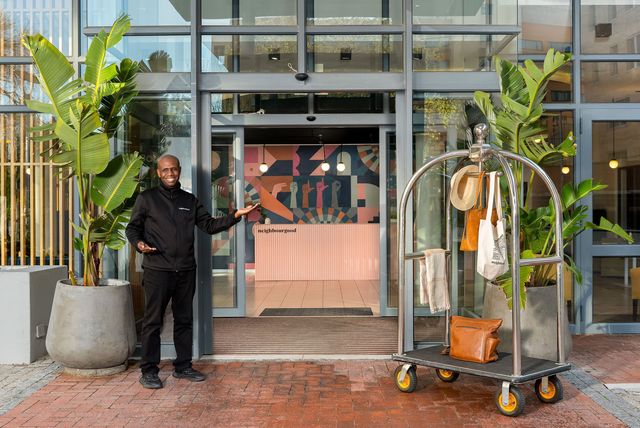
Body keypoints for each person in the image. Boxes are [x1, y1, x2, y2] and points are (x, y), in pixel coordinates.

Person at [126, 154, 259, 389]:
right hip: (157, 270)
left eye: (173, 170)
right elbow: (133, 228)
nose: (170, 174)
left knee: (184, 320)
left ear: (179, 170)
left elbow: (208, 225)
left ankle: (183, 366)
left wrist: (236, 216)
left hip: (185, 270)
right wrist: (139, 244)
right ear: (158, 173)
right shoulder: (147, 199)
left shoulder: (189, 199)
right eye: (165, 170)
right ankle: (148, 371)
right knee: (152, 322)